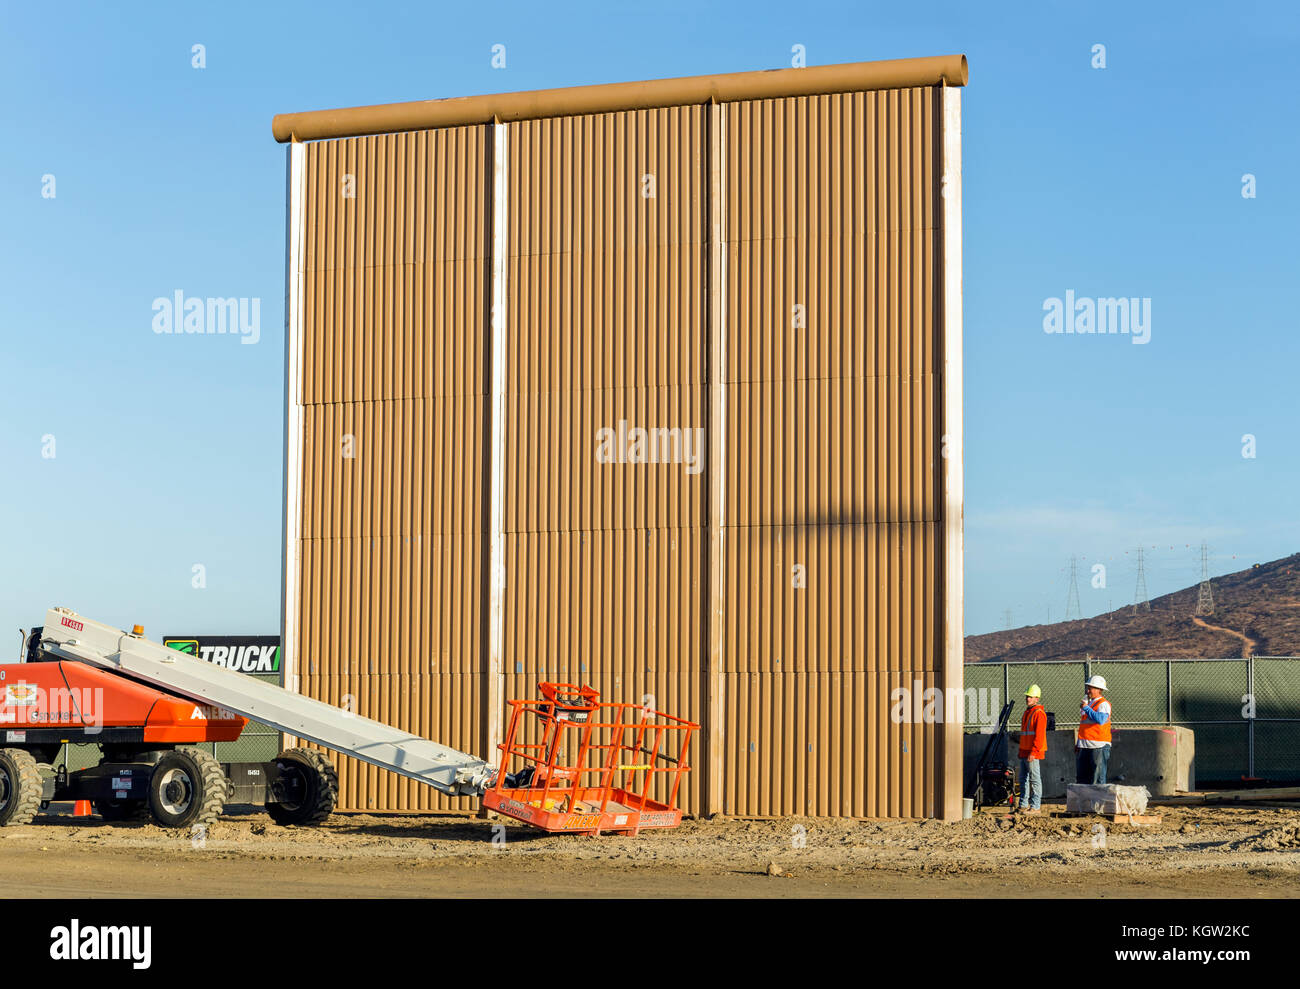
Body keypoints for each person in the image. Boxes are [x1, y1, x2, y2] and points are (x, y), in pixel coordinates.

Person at [1017, 684, 1047, 813]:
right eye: (1027, 696)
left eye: (1030, 697)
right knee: (1023, 779)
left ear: (1037, 699)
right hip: (1025, 751)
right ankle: (1023, 805)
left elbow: (1039, 736)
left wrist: (1033, 752)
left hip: (1032, 753)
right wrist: (1022, 751)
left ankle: (1035, 806)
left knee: (1034, 779)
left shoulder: (1039, 713)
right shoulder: (1028, 712)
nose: (1027, 699)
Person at [1076, 675, 1112, 784]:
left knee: (1098, 779)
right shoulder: (1091, 704)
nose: (1088, 691)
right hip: (1086, 746)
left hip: (1098, 747)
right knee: (1084, 779)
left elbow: (1100, 720)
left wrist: (1086, 708)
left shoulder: (1103, 704)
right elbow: (1084, 726)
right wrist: (1079, 743)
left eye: (1090, 688)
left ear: (1098, 689)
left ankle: (1099, 801)